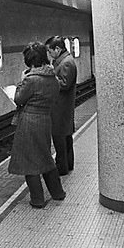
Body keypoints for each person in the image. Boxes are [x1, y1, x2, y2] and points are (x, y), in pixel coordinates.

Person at [9, 42, 66, 208]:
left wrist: (22, 81)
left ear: (30, 61)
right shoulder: (53, 77)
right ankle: (57, 193)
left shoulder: (31, 80)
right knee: (45, 156)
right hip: (45, 120)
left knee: (29, 161)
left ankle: (37, 199)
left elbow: (19, 99)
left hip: (29, 122)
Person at [45, 35, 77, 176]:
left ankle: (62, 168)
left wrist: (50, 76)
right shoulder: (63, 61)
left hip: (60, 108)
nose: (49, 54)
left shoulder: (66, 63)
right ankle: (68, 165)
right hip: (62, 107)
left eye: (50, 51)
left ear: (57, 49)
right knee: (66, 138)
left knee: (60, 139)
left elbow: (64, 84)